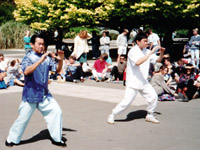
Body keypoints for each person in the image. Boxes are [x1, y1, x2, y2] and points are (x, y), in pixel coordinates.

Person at [5, 34, 66, 147]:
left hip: (44, 94)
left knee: (56, 112)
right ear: (32, 45)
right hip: (30, 95)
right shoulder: (28, 57)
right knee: (23, 119)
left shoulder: (47, 58)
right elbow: (27, 71)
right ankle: (12, 139)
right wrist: (39, 61)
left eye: (43, 44)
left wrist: (61, 60)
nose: (41, 46)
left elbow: (57, 70)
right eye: (39, 44)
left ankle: (57, 138)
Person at [107, 32, 165, 124]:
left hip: (144, 81)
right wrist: (151, 53)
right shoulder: (133, 51)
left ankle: (150, 115)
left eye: (147, 41)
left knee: (153, 97)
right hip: (133, 82)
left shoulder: (147, 51)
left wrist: (161, 53)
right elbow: (138, 62)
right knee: (126, 102)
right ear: (138, 41)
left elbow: (158, 60)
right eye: (144, 41)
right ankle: (112, 115)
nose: (146, 43)